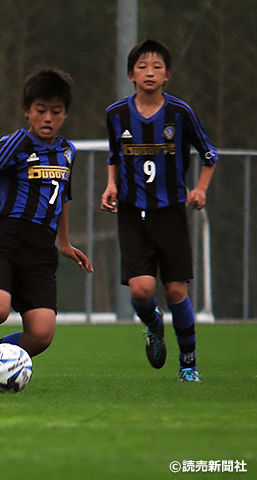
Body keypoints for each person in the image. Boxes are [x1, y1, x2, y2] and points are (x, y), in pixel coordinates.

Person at [0, 69, 93, 371]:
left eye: (56, 111)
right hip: (7, 241)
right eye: (41, 111)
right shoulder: (16, 144)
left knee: (41, 335)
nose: (48, 118)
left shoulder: (67, 151)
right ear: (27, 111)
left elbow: (62, 197)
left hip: (41, 250)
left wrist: (64, 242)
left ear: (65, 114)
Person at [100, 39, 217, 383]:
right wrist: (111, 185)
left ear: (167, 75)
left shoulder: (180, 113)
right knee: (141, 290)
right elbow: (113, 157)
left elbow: (209, 155)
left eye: (156, 67)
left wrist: (199, 190)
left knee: (176, 291)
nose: (149, 72)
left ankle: (188, 364)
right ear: (130, 75)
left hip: (170, 214)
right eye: (142, 67)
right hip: (132, 213)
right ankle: (153, 325)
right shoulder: (116, 114)